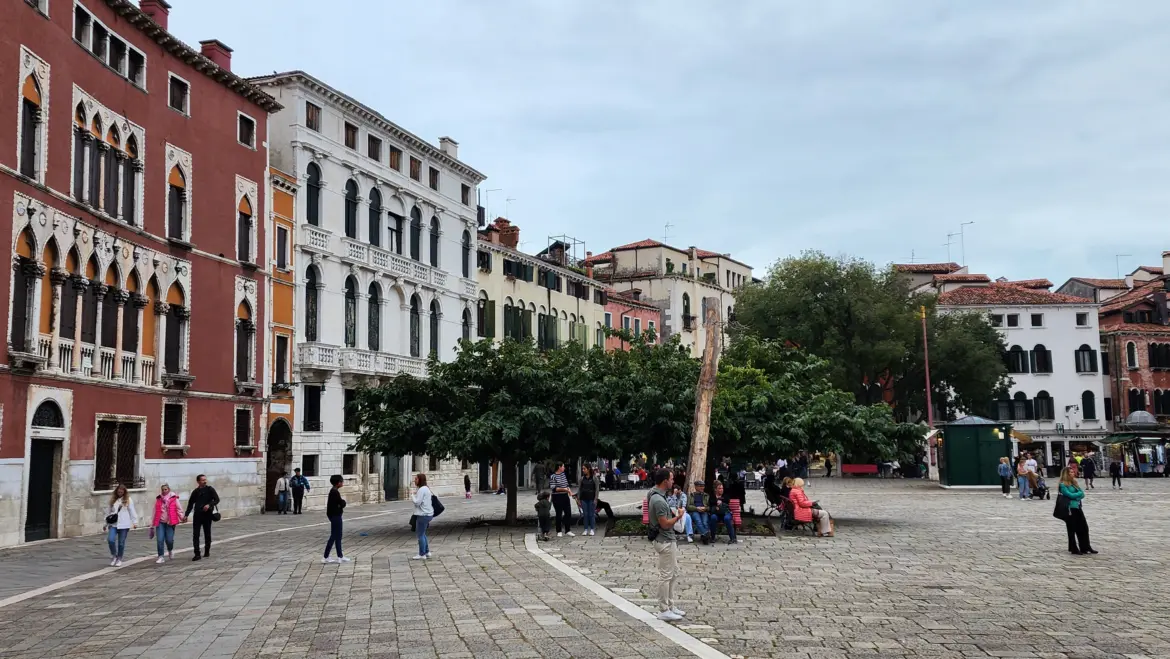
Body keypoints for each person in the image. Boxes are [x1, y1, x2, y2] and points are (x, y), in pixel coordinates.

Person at [647, 468, 686, 622]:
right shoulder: (658, 500)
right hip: (665, 540)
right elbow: (665, 524)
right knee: (666, 575)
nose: (673, 481)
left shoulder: (654, 493)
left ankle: (670, 605)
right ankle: (664, 609)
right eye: (671, 478)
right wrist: (678, 516)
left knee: (673, 573)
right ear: (664, 481)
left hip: (666, 540)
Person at [1059, 467, 1096, 555]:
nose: (1073, 473)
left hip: (1078, 507)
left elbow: (1082, 494)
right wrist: (1076, 496)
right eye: (1071, 472)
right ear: (1066, 474)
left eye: (1073, 472)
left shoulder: (1074, 483)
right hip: (1070, 509)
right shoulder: (1063, 485)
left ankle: (1085, 546)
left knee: (1084, 528)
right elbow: (1069, 495)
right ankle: (1074, 548)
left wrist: (1076, 496)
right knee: (1072, 529)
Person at [182, 474, 219, 561]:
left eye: (205, 480)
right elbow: (190, 504)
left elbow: (217, 499)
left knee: (207, 534)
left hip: (207, 515)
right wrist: (186, 515)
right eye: (202, 480)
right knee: (196, 535)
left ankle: (207, 551)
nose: (205, 481)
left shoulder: (210, 489)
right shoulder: (195, 492)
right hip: (197, 515)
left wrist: (209, 504)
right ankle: (197, 554)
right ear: (198, 481)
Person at [105, 484, 137, 567]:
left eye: (122, 491)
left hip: (124, 524)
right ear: (116, 491)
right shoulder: (113, 500)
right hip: (113, 524)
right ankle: (114, 555)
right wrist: (105, 523)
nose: (120, 492)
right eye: (119, 490)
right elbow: (108, 512)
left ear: (124, 492)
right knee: (111, 540)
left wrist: (135, 522)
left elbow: (132, 511)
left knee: (121, 543)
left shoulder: (128, 500)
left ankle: (119, 558)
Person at [320, 474, 350, 563]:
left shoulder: (334, 491)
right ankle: (326, 556)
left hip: (335, 515)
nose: (342, 483)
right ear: (338, 483)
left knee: (338, 536)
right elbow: (341, 503)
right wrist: (343, 503)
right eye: (341, 481)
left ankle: (340, 556)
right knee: (334, 536)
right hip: (335, 516)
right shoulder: (334, 492)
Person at [151, 483, 181, 563]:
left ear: (169, 490)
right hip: (160, 522)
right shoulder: (159, 499)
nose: (164, 491)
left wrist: (182, 517)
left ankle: (170, 550)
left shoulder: (174, 498)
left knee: (169, 540)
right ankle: (160, 556)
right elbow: (154, 511)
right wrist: (152, 524)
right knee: (160, 539)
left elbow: (179, 508)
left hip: (170, 522)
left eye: (166, 489)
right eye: (163, 490)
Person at [411, 473, 434, 559]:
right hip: (428, 513)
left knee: (420, 534)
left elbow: (417, 502)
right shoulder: (426, 488)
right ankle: (427, 551)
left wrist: (412, 495)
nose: (415, 480)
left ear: (420, 480)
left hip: (423, 514)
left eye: (416, 479)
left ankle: (422, 554)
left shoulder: (421, 490)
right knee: (423, 533)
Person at [548, 463, 574, 537]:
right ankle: (558, 530)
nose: (564, 468)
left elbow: (566, 485)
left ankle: (568, 530)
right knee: (559, 514)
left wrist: (569, 491)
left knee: (568, 513)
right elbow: (554, 488)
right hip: (557, 497)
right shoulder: (553, 476)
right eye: (563, 466)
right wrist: (565, 489)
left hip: (565, 496)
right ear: (559, 467)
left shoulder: (563, 475)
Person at [686, 479, 713, 544]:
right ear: (696, 487)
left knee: (705, 522)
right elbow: (688, 506)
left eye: (703, 486)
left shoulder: (706, 495)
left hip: (704, 511)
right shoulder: (691, 495)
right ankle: (706, 535)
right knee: (698, 520)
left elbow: (710, 507)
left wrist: (705, 508)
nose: (702, 487)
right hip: (694, 511)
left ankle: (704, 537)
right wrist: (696, 508)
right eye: (700, 486)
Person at [578, 464, 598, 536]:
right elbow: (579, 489)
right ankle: (585, 529)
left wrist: (595, 499)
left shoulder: (594, 478)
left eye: (584, 469)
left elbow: (597, 489)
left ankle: (592, 529)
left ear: (588, 469)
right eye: (582, 469)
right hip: (583, 498)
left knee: (591, 514)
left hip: (591, 498)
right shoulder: (582, 479)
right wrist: (579, 499)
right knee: (585, 514)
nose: (583, 470)